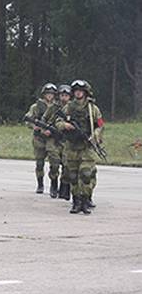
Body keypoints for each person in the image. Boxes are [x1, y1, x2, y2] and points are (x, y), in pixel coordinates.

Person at [55, 80, 104, 215]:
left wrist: (95, 135)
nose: (78, 93)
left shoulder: (92, 108)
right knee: (73, 176)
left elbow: (100, 124)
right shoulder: (69, 107)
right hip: (72, 146)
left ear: (85, 92)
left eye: (80, 91)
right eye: (76, 91)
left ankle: (85, 200)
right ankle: (76, 201)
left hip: (87, 146)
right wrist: (65, 125)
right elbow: (57, 121)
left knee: (86, 174)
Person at [24, 83, 58, 194]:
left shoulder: (57, 107)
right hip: (39, 138)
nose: (49, 96)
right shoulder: (36, 107)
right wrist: (35, 127)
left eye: (51, 94)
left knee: (54, 162)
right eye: (47, 93)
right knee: (39, 163)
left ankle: (54, 184)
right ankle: (40, 184)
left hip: (52, 138)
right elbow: (28, 120)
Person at [54, 84, 72, 200]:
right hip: (55, 139)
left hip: (68, 140)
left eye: (66, 95)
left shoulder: (72, 107)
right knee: (55, 164)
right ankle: (55, 186)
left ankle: (66, 191)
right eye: (62, 95)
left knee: (68, 166)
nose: (64, 98)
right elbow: (51, 121)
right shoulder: (54, 107)